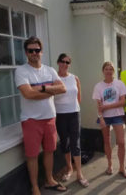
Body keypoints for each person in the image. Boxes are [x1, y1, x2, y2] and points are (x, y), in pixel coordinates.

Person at [15, 36, 67, 195]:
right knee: (32, 155)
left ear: (41, 51)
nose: (34, 53)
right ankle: (35, 187)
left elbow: (63, 88)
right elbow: (28, 94)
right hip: (31, 120)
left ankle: (50, 179)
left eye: (37, 50)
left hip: (50, 118)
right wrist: (50, 89)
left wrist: (41, 88)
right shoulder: (21, 71)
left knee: (50, 151)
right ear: (26, 52)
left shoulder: (49, 70)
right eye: (30, 50)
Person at [54, 53, 89, 187]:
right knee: (65, 143)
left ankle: (79, 173)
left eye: (67, 62)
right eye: (62, 61)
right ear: (58, 62)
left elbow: (78, 97)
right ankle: (69, 168)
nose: (65, 64)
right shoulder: (54, 78)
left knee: (76, 143)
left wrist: (74, 107)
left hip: (74, 113)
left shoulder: (75, 78)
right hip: (60, 115)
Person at [92, 61, 126, 178]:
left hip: (117, 116)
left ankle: (122, 167)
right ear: (103, 71)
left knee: (121, 142)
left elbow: (123, 102)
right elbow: (99, 106)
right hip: (105, 118)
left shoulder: (119, 84)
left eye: (110, 69)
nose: (108, 71)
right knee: (107, 141)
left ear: (114, 71)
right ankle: (109, 165)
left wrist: (107, 106)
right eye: (106, 69)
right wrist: (101, 118)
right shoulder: (98, 86)